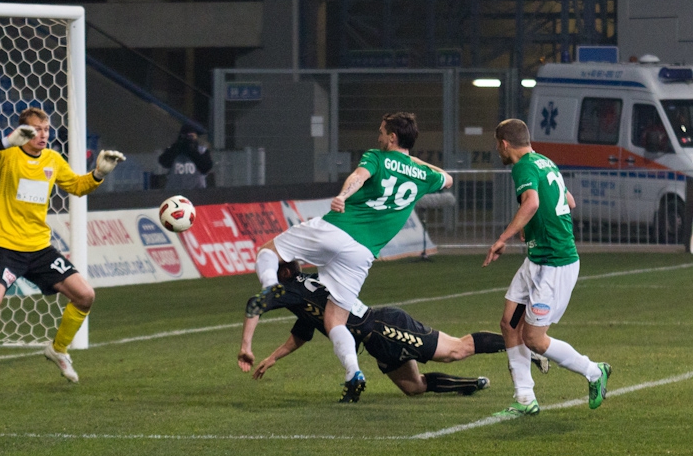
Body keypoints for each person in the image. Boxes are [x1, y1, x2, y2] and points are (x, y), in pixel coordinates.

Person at [254, 112, 453, 402]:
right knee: (335, 320)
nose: (379, 137)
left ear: (393, 137)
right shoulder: (424, 175)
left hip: (337, 229)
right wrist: (413, 162)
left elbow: (359, 176)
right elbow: (447, 179)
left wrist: (344, 196)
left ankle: (270, 289)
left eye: (383, 132)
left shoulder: (377, 156)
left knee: (268, 250)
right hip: (363, 252)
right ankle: (352, 372)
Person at [0, 107, 126, 392]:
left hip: (39, 248)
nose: (43, 135)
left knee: (85, 295)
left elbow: (77, 187)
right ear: (24, 132)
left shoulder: (53, 159)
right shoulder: (7, 154)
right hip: (6, 245)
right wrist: (7, 141)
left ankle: (58, 349)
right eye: (36, 130)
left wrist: (98, 174)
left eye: (46, 129)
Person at [238, 261, 517, 399]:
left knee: (457, 349)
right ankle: (470, 385)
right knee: (413, 387)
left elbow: (255, 304)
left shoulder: (288, 288)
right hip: (376, 341)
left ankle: (520, 344)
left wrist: (246, 347)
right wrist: (273, 358)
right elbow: (302, 333)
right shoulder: (307, 290)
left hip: (384, 327)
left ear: (284, 273)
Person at [483, 118, 610, 417]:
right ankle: (525, 398)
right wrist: (535, 227)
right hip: (538, 259)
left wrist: (503, 238)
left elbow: (532, 203)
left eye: (496, 145)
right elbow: (569, 201)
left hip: (554, 263)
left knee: (535, 339)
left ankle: (594, 372)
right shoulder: (545, 162)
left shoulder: (523, 166)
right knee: (509, 324)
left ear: (504, 144)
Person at [158, 123, 213, 190]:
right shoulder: (174, 149)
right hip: (175, 191)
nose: (189, 139)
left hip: (197, 192)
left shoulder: (201, 151)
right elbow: (164, 162)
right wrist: (178, 147)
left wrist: (192, 152)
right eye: (187, 136)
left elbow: (206, 167)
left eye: (192, 136)